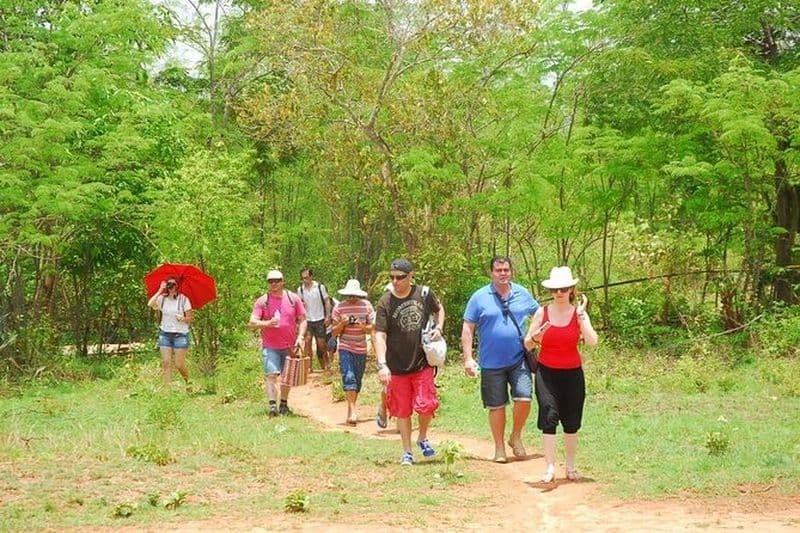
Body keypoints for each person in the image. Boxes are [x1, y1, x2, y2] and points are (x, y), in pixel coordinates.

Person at [462, 256, 540, 463]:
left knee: (524, 399)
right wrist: (468, 358)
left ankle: (515, 436)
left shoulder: (522, 293)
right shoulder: (479, 297)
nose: (503, 273)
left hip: (519, 359)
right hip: (490, 363)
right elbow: (468, 328)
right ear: (491, 273)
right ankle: (499, 447)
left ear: (511, 271)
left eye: (506, 270)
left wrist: (533, 336)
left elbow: (540, 314)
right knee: (496, 406)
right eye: (498, 270)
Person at [524, 266, 598, 482]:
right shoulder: (542, 312)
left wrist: (583, 318)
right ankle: (549, 467)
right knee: (549, 415)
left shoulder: (578, 314)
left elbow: (593, 342)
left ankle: (571, 466)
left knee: (572, 420)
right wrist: (537, 336)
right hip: (547, 373)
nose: (559, 293)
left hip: (573, 373)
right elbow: (527, 344)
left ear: (571, 290)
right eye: (555, 289)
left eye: (564, 289)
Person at [374, 258, 445, 466]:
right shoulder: (385, 302)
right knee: (402, 410)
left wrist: (438, 328)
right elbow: (380, 334)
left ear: (411, 276)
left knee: (426, 405)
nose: (395, 281)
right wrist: (382, 364)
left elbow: (439, 309)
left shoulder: (423, 293)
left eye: (400, 277)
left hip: (422, 362)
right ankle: (407, 451)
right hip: (396, 366)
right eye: (392, 277)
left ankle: (422, 437)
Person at [249, 270, 308, 417]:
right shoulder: (263, 301)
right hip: (270, 346)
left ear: (283, 281)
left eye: (277, 280)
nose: (274, 283)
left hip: (289, 345)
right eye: (271, 281)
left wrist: (300, 336)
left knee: (287, 376)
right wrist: (267, 323)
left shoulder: (293, 299)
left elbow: (302, 319)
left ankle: (284, 404)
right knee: (272, 374)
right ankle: (272, 406)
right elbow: (252, 322)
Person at [330, 279, 375, 425]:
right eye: (349, 295)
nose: (351, 298)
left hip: (361, 348)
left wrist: (360, 324)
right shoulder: (339, 307)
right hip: (345, 346)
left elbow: (372, 328)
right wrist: (343, 323)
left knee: (357, 379)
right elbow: (333, 332)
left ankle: (351, 409)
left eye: (354, 295)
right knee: (349, 377)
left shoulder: (367, 306)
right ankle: (354, 411)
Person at [148, 277, 193, 388]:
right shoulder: (162, 299)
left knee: (179, 364)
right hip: (165, 334)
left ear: (177, 286)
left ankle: (188, 383)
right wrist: (160, 290)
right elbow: (150, 304)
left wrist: (183, 319)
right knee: (166, 362)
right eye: (169, 284)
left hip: (180, 335)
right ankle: (167, 391)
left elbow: (190, 318)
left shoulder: (183, 299)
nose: (171, 286)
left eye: (173, 284)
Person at [297, 268, 333, 371]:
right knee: (307, 342)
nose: (305, 280)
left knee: (321, 343)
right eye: (303, 278)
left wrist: (328, 316)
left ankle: (326, 364)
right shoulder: (300, 289)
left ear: (311, 277)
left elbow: (327, 301)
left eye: (307, 278)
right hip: (307, 320)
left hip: (320, 319)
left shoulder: (319, 287)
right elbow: (299, 304)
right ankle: (309, 366)